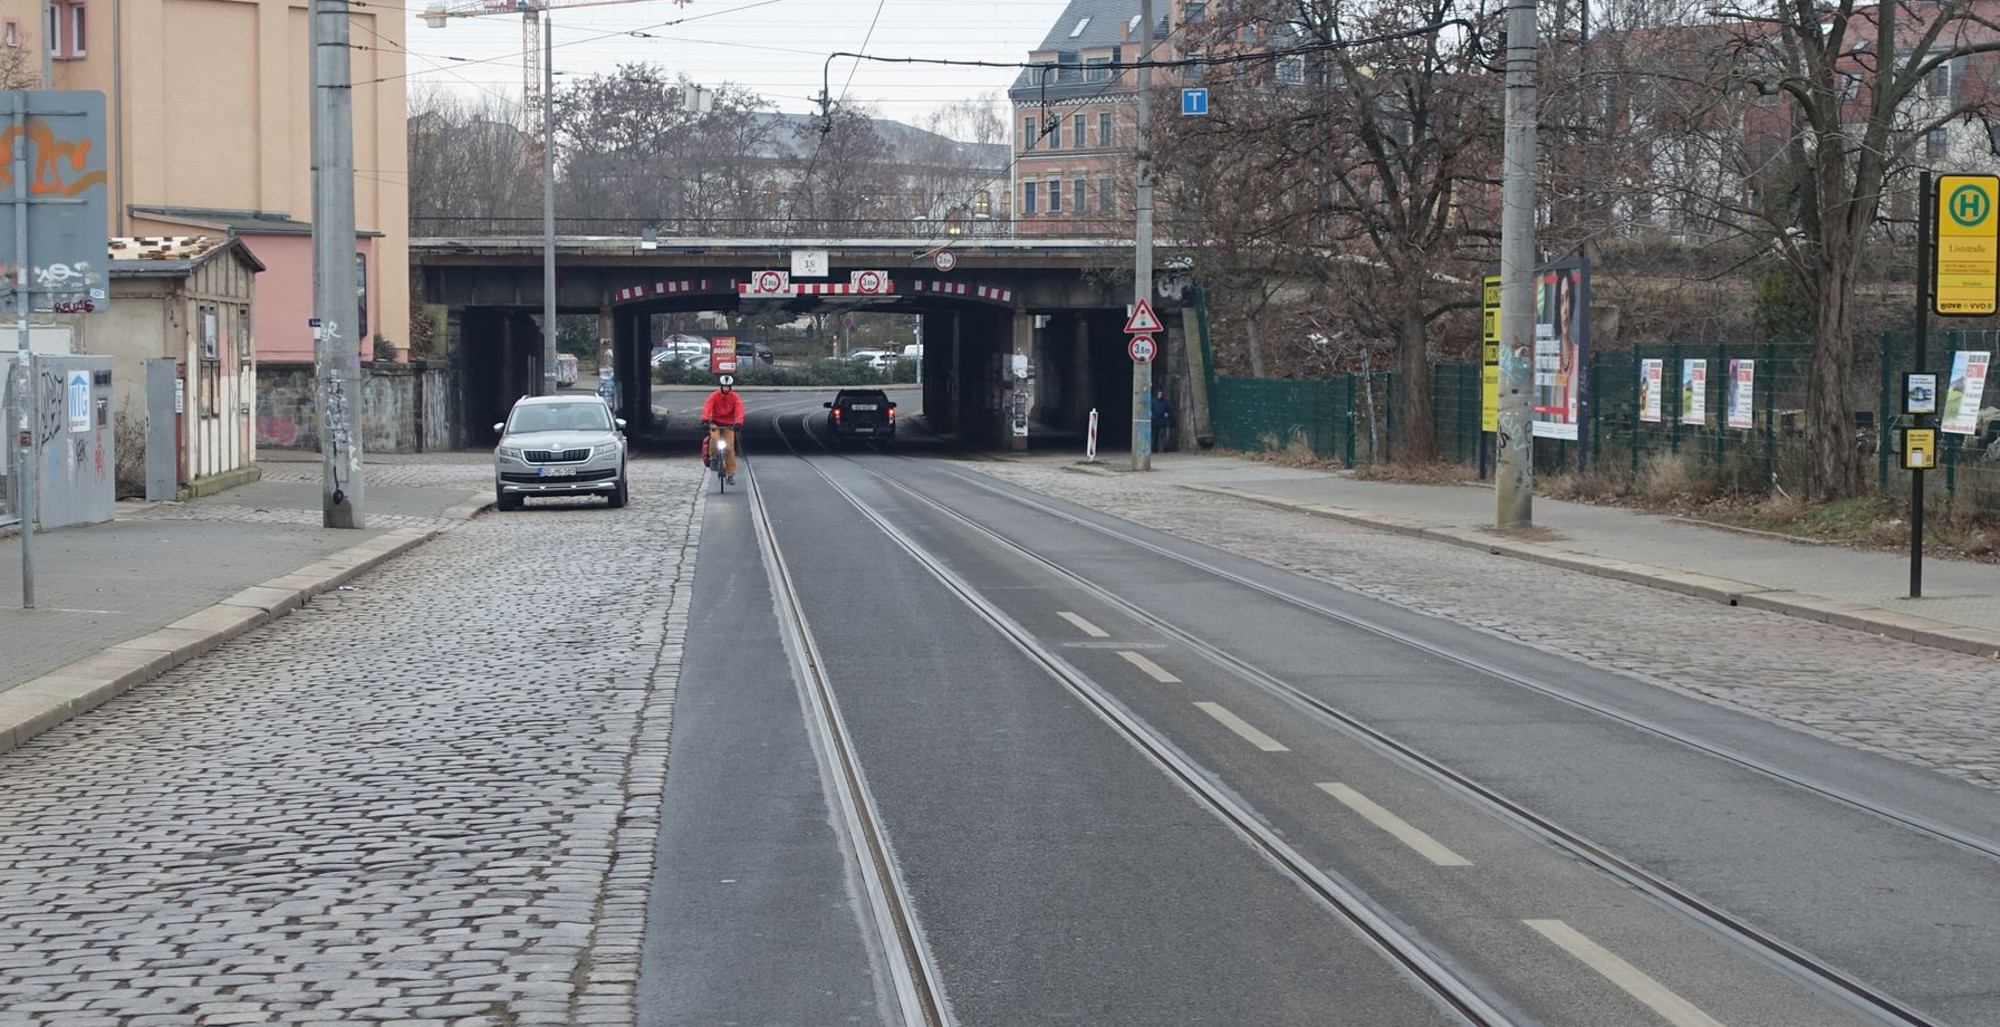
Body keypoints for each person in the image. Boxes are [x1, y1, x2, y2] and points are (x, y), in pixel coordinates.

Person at [701, 374, 745, 485]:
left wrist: (739, 423)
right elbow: (707, 407)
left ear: (730, 387)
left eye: (728, 386)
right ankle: (713, 458)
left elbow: (739, 410)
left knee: (729, 448)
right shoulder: (714, 396)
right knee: (714, 438)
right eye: (724, 386)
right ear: (721, 386)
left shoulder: (734, 397)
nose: (726, 388)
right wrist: (705, 420)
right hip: (715, 423)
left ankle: (730, 474)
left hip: (729, 424)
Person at [1151, 387, 1176, 453]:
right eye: (1159, 394)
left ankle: (1161, 449)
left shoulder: (1165, 402)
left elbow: (1168, 410)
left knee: (1162, 436)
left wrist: (1167, 415)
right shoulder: (1153, 401)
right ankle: (1154, 449)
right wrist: (1152, 416)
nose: (1160, 395)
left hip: (1162, 421)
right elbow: (1151, 410)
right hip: (1155, 421)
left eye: (1161, 394)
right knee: (1154, 436)